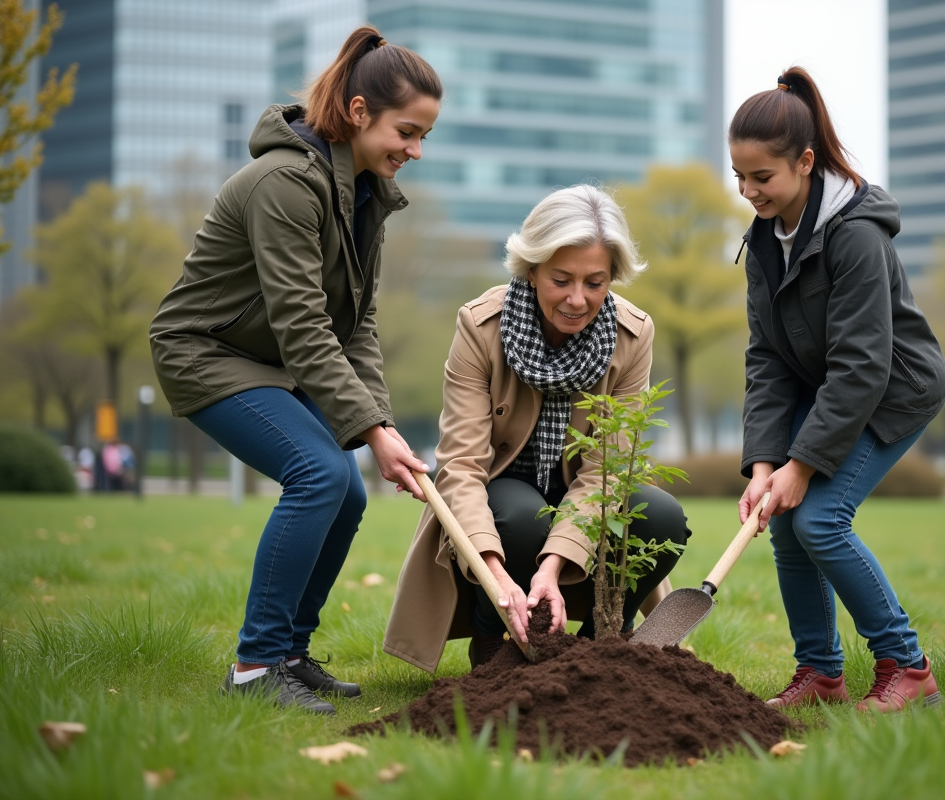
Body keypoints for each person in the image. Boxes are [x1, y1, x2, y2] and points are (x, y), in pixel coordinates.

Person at [149, 27, 441, 715]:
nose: (416, 150)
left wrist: (383, 424)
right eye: (408, 131)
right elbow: (302, 322)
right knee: (320, 475)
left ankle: (288, 653)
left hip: (268, 358)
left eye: (425, 135)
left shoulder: (365, 192)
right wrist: (369, 431)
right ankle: (254, 667)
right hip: (207, 351)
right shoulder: (286, 182)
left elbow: (356, 326)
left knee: (348, 493)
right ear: (362, 111)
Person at [382, 185, 690, 672]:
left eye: (595, 282)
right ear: (531, 269)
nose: (577, 299)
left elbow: (608, 470)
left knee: (661, 515)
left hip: (586, 496)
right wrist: (498, 578)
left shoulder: (633, 334)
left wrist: (552, 566)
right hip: (501, 497)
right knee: (526, 518)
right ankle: (491, 634)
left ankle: (603, 645)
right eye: (561, 279)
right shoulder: (481, 326)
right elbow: (461, 466)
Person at [730, 68, 945, 712]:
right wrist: (766, 464)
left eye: (761, 178)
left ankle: (908, 669)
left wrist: (803, 465)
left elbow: (861, 365)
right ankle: (821, 676)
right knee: (785, 521)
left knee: (821, 520)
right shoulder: (764, 237)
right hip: (828, 387)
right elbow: (767, 356)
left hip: (892, 388)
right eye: (738, 177)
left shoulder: (855, 235)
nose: (748, 191)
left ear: (803, 162)